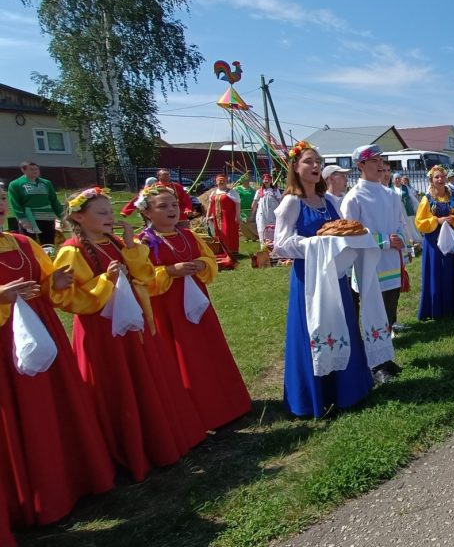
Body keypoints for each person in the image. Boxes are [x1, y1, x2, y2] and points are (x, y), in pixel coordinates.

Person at [54, 187, 206, 481]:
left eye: (111, 211)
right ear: (78, 217)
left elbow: (146, 275)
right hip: (102, 331)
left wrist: (130, 248)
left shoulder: (116, 242)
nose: (110, 217)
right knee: (116, 383)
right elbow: (67, 300)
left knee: (143, 377)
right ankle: (126, 449)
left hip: (134, 323)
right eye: (101, 213)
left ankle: (158, 438)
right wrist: (105, 282)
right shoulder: (72, 251)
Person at [0, 194, 116, 531]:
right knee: (19, 413)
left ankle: (74, 478)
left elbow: (51, 284)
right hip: (6, 342)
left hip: (43, 331)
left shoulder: (23, 242)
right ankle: (33, 497)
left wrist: (55, 283)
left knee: (55, 405)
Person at [136, 185, 252, 430]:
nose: (171, 210)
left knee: (207, 350)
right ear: (147, 212)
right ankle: (190, 411)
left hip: (198, 305)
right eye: (163, 206)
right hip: (167, 309)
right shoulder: (143, 243)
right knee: (179, 355)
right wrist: (168, 271)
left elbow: (211, 257)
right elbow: (139, 278)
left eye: (174, 205)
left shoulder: (188, 235)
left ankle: (225, 404)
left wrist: (202, 263)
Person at [273, 143, 375, 418]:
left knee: (343, 322)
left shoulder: (329, 201)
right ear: (295, 167)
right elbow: (280, 245)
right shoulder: (291, 203)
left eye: (318, 161)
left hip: (335, 274)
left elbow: (342, 231)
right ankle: (315, 395)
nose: (315, 166)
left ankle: (347, 390)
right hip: (308, 278)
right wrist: (314, 245)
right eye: (308, 161)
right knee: (313, 329)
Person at [341, 144, 407, 380]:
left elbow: (399, 223)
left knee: (389, 310)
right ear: (361, 166)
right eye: (375, 161)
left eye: (382, 160)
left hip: (390, 262)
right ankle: (374, 364)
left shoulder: (390, 194)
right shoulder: (354, 197)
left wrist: (399, 238)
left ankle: (385, 358)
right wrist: (384, 241)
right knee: (371, 313)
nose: (381, 165)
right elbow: (349, 231)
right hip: (369, 265)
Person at [415, 165, 454, 319]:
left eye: (442, 176)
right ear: (431, 180)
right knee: (436, 271)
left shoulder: (453, 197)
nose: (440, 179)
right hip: (433, 240)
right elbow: (419, 222)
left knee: (451, 270)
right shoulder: (427, 199)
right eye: (436, 177)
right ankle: (435, 308)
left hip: (450, 239)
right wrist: (436, 220)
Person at [7, 161, 64, 246]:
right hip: (29, 218)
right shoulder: (15, 184)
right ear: (23, 170)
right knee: (29, 243)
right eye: (31, 169)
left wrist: (62, 216)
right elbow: (15, 203)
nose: (35, 171)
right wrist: (22, 219)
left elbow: (54, 200)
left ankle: (48, 257)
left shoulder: (46, 183)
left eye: (36, 169)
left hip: (47, 217)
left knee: (48, 242)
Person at [254, 172, 283, 246]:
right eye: (264, 179)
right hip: (262, 214)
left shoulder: (275, 190)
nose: (266, 180)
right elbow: (254, 202)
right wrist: (252, 214)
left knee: (273, 229)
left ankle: (274, 248)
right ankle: (264, 249)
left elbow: (280, 201)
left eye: (268, 179)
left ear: (271, 180)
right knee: (262, 229)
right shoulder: (259, 191)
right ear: (262, 181)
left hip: (272, 214)